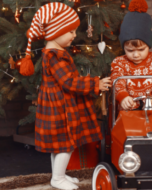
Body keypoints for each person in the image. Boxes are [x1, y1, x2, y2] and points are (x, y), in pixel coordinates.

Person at [19, 2, 111, 190]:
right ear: (56, 32)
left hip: (58, 102)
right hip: (59, 106)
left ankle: (58, 176)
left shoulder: (55, 52)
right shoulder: (54, 56)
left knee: (60, 144)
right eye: (71, 31)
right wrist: (95, 84)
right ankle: (58, 179)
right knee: (66, 145)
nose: (75, 35)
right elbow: (68, 82)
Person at [110, 0, 152, 111]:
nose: (136, 55)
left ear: (149, 46)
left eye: (141, 49)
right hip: (129, 109)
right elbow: (117, 82)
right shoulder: (119, 62)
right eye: (130, 50)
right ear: (124, 48)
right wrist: (123, 97)